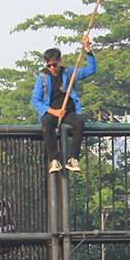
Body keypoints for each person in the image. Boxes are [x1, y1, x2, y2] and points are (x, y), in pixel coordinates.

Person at [31, 35, 96, 173]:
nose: (52, 68)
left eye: (54, 64)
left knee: (79, 123)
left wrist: (88, 49)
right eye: (49, 65)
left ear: (60, 61)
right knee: (46, 122)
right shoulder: (42, 78)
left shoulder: (69, 73)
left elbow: (91, 70)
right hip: (51, 112)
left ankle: (73, 159)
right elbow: (35, 101)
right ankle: (54, 160)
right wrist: (53, 111)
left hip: (67, 111)